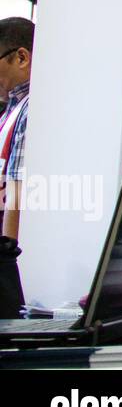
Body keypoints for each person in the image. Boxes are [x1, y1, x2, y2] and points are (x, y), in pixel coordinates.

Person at [0, 18, 35, 243]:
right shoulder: (11, 108)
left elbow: (16, 197)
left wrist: (6, 265)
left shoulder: (31, 109)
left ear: (21, 58)